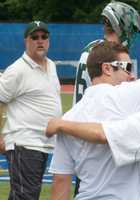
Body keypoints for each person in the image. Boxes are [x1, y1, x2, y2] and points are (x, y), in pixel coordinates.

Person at [46, 38, 140, 200]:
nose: (132, 76)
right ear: (107, 69)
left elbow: (61, 181)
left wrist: (62, 125)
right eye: (127, 68)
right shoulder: (133, 93)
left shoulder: (69, 117)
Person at [72, 1, 140, 193]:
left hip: (85, 131)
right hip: (101, 134)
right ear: (121, 24)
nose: (133, 34)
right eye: (132, 28)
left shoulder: (92, 50)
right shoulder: (109, 55)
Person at [0, 21, 62, 200]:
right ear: (26, 41)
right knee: (25, 196)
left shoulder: (51, 65)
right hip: (24, 143)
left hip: (43, 143)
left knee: (23, 195)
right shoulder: (17, 70)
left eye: (44, 37)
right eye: (34, 37)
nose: (40, 41)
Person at [73, 1, 140, 104]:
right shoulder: (106, 56)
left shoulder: (95, 49)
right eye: (131, 30)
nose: (131, 36)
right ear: (121, 27)